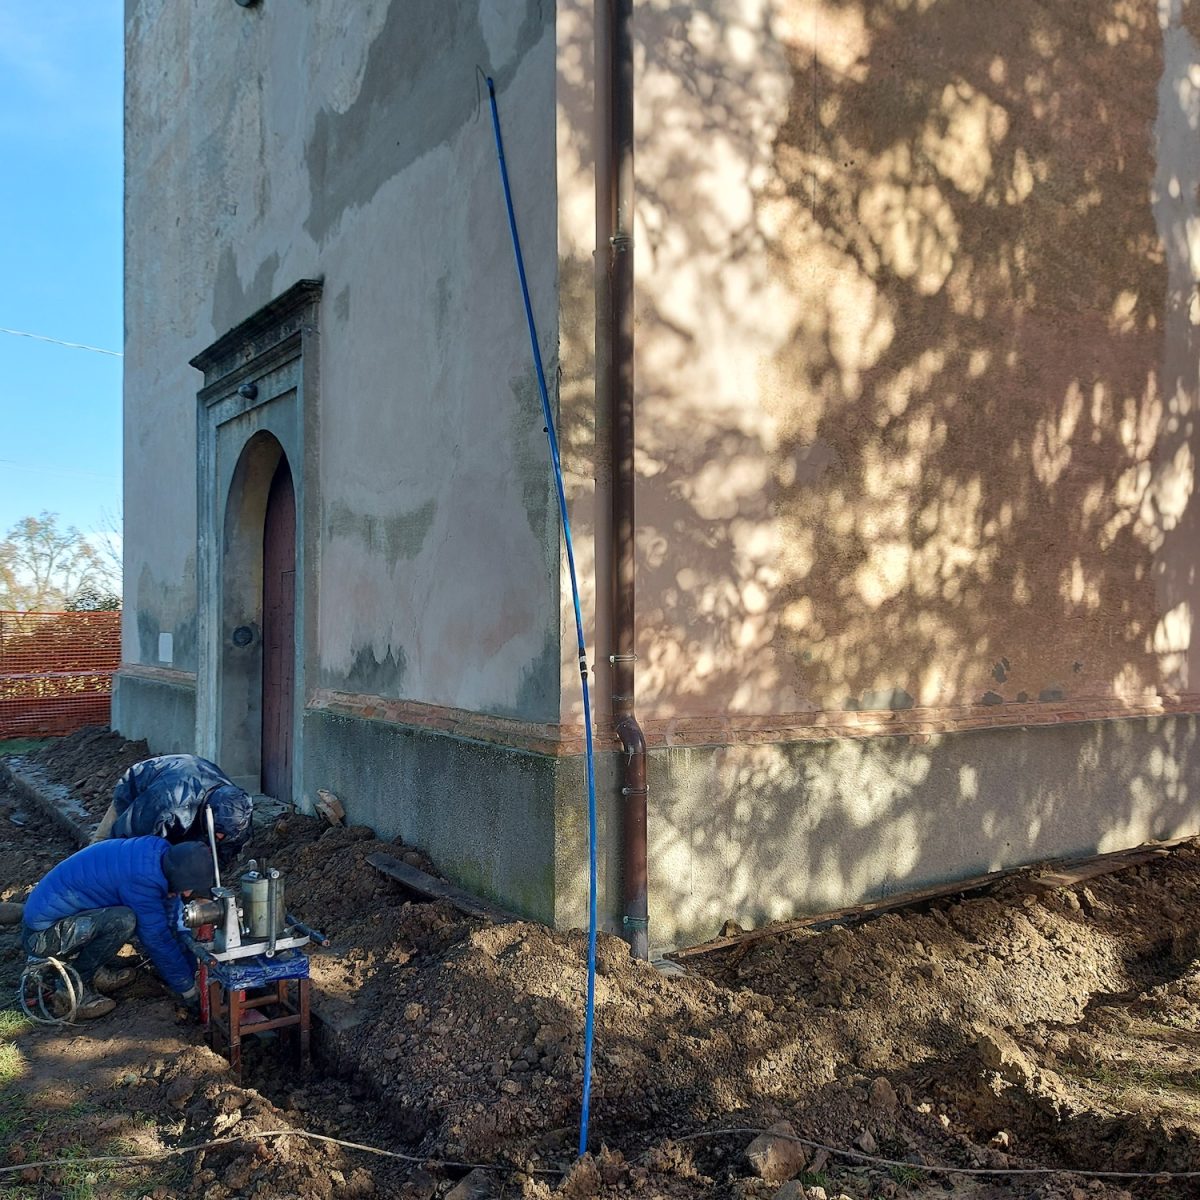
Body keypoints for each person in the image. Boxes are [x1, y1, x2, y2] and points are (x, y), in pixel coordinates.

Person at [21, 839, 214, 1020]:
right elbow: (158, 940)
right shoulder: (142, 881)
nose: (188, 894)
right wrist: (188, 990)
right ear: (177, 875)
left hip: (63, 918)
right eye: (187, 888)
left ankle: (94, 971)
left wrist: (192, 971)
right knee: (123, 921)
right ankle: (71, 989)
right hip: (43, 937)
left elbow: (172, 922)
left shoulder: (160, 857)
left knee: (126, 918)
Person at [92, 754, 253, 869]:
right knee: (105, 856)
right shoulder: (167, 803)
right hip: (139, 792)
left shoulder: (238, 812)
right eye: (218, 833)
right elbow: (127, 838)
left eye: (223, 837)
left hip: (189, 802)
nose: (219, 838)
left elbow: (226, 851)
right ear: (209, 813)